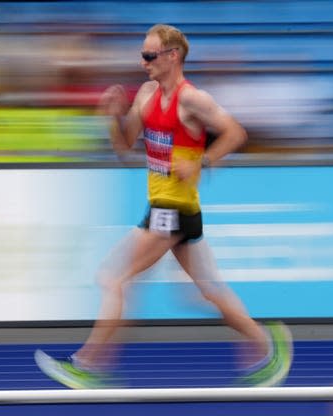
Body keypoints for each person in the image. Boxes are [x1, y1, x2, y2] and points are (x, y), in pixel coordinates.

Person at [35, 24, 292, 389]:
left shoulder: (193, 99)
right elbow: (125, 148)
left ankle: (89, 364)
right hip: (166, 207)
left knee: (115, 280)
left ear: (173, 56)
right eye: (142, 55)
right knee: (206, 290)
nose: (143, 62)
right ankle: (267, 343)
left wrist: (200, 161)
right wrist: (112, 115)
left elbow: (236, 133)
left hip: (172, 208)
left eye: (150, 55)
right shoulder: (145, 95)